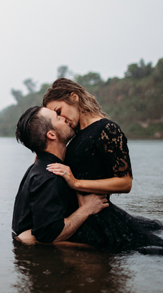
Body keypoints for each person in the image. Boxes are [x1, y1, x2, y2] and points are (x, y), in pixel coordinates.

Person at [40, 77, 163, 252]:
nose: (61, 118)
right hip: (79, 217)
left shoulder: (107, 130)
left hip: (97, 218)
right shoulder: (75, 135)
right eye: (56, 116)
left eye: (59, 111)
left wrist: (76, 183)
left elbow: (125, 183)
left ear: (74, 97)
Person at [11, 105, 109, 245]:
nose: (64, 118)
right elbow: (50, 235)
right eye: (58, 117)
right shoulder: (48, 177)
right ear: (51, 135)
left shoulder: (40, 167)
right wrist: (86, 209)